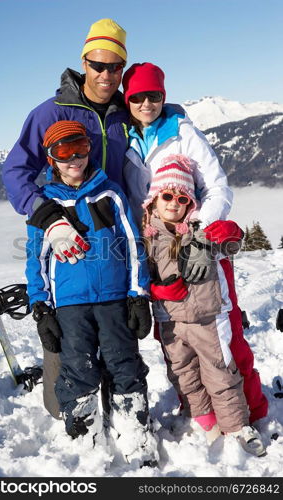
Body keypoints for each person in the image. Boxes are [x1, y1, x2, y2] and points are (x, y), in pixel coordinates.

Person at [122, 62, 268, 424]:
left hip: (198, 243)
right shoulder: (125, 140)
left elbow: (218, 187)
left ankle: (253, 412)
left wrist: (200, 232)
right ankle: (200, 413)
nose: (146, 104)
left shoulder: (183, 132)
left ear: (163, 97)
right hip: (155, 247)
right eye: (137, 97)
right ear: (127, 100)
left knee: (225, 337)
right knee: (175, 340)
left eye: (153, 96)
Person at [2, 18, 130, 419]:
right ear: (84, 62)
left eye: (115, 67)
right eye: (98, 64)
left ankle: (119, 410)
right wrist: (45, 215)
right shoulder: (51, 112)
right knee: (67, 351)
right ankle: (71, 415)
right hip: (67, 245)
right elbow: (15, 171)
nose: (106, 74)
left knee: (119, 344)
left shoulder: (125, 112)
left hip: (116, 249)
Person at [25, 120, 158, 465]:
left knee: (123, 364)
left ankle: (133, 432)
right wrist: (41, 308)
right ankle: (86, 438)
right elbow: (36, 259)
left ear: (89, 150)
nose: (74, 159)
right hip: (70, 306)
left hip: (114, 298)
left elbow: (132, 244)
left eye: (80, 149)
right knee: (78, 369)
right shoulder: (46, 206)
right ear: (51, 158)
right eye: (64, 152)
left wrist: (137, 293)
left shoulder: (109, 192)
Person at [141, 154, 265, 456]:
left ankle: (236, 425)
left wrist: (213, 236)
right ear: (154, 201)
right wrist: (158, 289)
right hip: (169, 321)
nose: (173, 203)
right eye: (167, 196)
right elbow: (139, 278)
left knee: (220, 372)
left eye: (181, 197)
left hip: (208, 317)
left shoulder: (202, 231)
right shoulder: (145, 237)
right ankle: (206, 421)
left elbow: (233, 236)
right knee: (184, 374)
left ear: (191, 203)